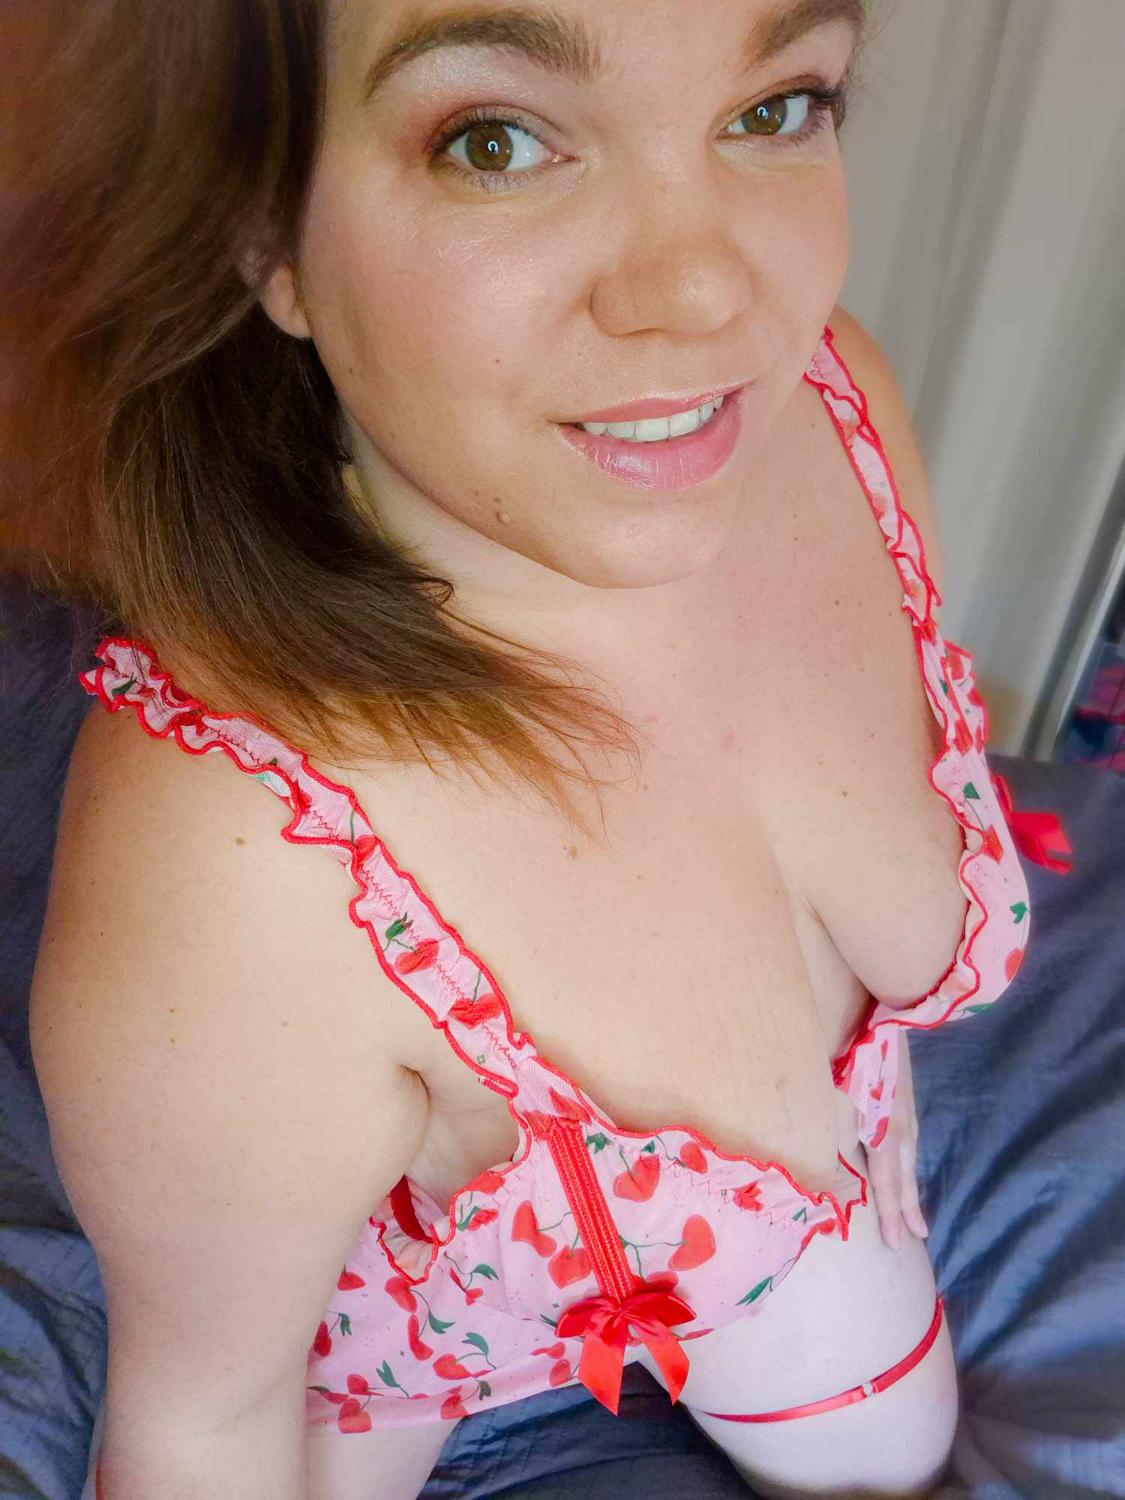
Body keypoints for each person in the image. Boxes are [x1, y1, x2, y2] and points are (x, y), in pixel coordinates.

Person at [8, 1, 1042, 1495]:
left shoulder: (840, 409)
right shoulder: (239, 865)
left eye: (776, 108)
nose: (705, 294)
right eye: (494, 141)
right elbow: (205, 1421)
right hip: (394, 1345)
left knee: (893, 1450)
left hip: (813, 1238)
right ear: (263, 229)